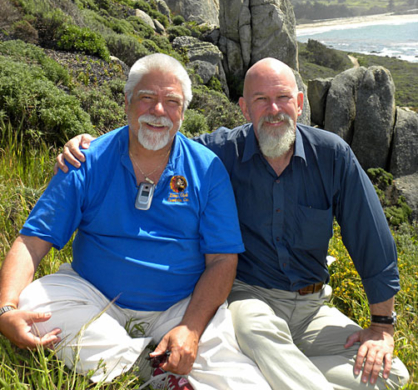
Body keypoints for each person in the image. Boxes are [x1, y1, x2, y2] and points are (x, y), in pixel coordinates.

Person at [55, 57, 410, 390]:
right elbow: (159, 138)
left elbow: (371, 240)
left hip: (313, 306)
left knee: (392, 372)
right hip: (248, 299)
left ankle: (272, 372)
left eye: (283, 98)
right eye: (261, 99)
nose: (274, 110)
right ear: (244, 107)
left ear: (299, 102)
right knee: (257, 333)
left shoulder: (332, 155)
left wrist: (381, 326)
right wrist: (89, 146)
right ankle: (273, 366)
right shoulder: (218, 155)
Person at [0, 54, 271, 390]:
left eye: (171, 102)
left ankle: (144, 363)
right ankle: (154, 369)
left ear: (183, 112)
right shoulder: (86, 159)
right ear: (127, 102)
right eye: (147, 98)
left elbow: (221, 260)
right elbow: (32, 241)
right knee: (34, 304)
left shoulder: (207, 169)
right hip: (94, 294)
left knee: (245, 383)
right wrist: (5, 310)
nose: (159, 111)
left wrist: (190, 328)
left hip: (181, 304)